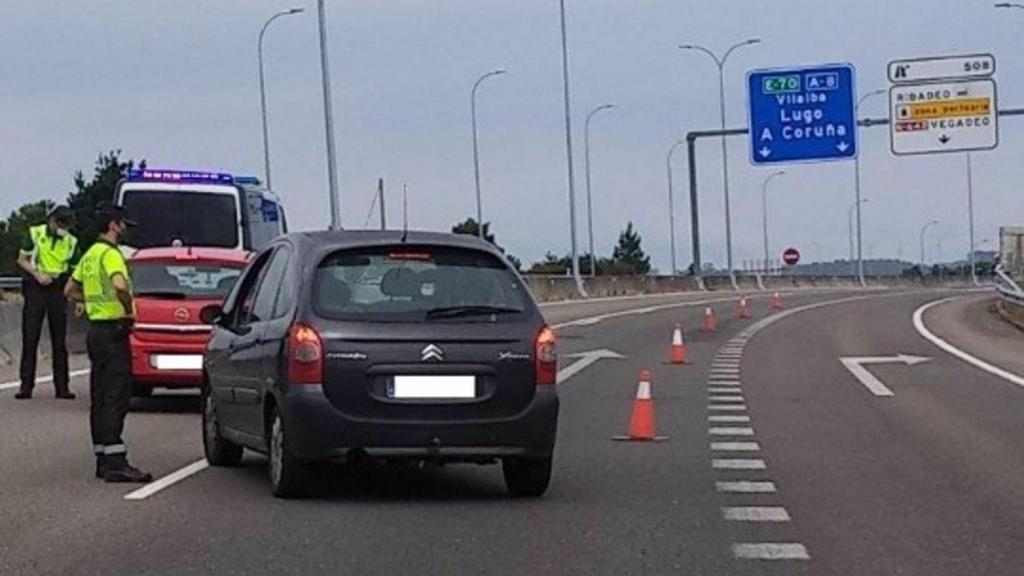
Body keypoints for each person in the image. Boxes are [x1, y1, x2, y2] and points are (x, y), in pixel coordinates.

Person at [65, 204, 152, 483]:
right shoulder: (111, 254)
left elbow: (69, 289)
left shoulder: (90, 254)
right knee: (116, 395)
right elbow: (119, 285)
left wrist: (88, 302)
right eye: (123, 223)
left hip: (96, 332)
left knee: (100, 395)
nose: (125, 228)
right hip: (114, 331)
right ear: (114, 225)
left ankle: (103, 457)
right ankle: (116, 462)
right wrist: (127, 309)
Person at [15, 205, 80, 400]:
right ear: (51, 220)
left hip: (57, 289)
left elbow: (76, 272)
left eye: (66, 225)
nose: (63, 228)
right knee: (30, 337)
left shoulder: (71, 241)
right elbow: (22, 259)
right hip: (36, 287)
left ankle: (62, 387)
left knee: (59, 340)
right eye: (60, 223)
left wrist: (77, 297)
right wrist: (37, 274)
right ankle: (26, 386)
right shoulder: (35, 234)